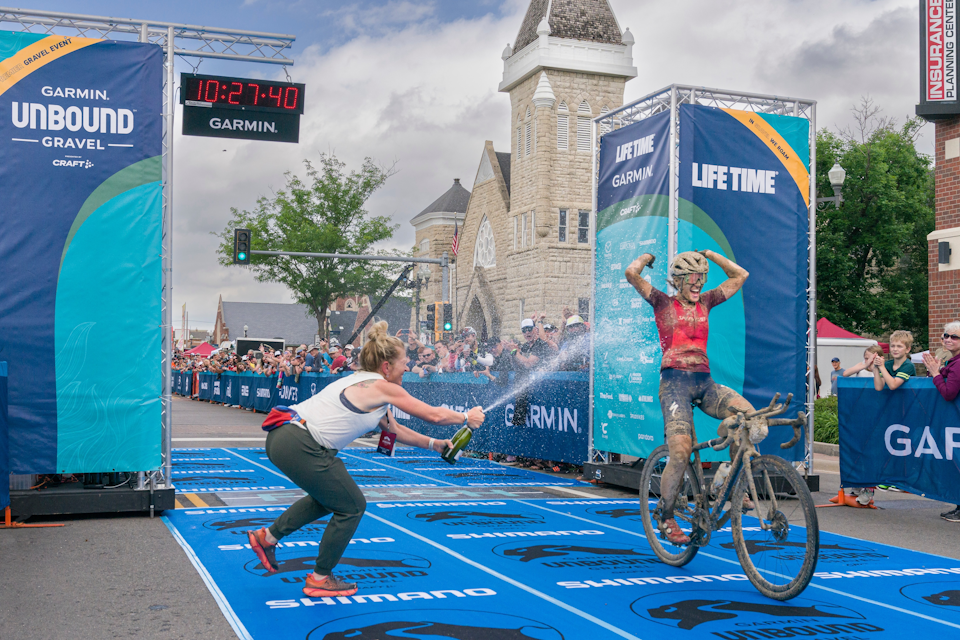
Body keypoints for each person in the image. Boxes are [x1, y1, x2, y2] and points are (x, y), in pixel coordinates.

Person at [246, 321, 485, 597]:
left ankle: (268, 538)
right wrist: (467, 417)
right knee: (352, 506)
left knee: (330, 499)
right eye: (403, 363)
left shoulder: (363, 382)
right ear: (386, 367)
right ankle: (320, 579)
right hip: (300, 442)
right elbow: (434, 415)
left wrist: (435, 445)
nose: (407, 368)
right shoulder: (384, 387)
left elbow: (393, 430)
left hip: (284, 437)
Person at [625, 249, 753, 545]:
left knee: (751, 420)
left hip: (704, 383)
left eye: (702, 279)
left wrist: (710, 254)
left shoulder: (707, 302)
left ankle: (728, 482)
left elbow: (740, 275)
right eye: (693, 279)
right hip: (674, 385)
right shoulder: (662, 302)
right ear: (678, 281)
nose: (698, 284)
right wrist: (645, 257)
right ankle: (666, 515)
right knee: (681, 451)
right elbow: (632, 274)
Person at [922, 322, 960, 522]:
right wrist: (935, 370)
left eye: (954, 337)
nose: (948, 339)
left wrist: (936, 373)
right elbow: (941, 378)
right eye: (946, 335)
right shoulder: (953, 362)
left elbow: (948, 393)